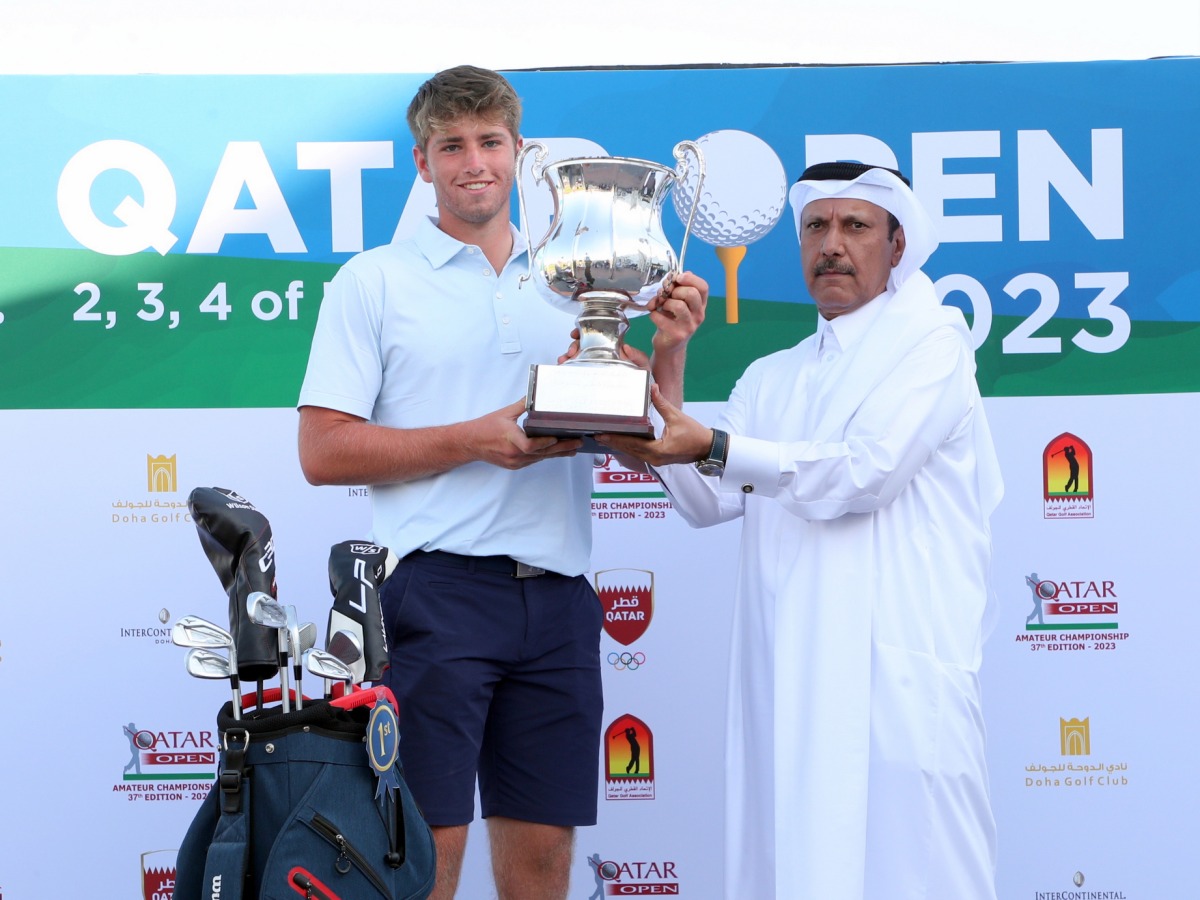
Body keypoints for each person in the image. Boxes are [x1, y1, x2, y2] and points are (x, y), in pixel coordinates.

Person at [294, 65, 705, 900]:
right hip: (435, 594)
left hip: (558, 599)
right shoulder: (373, 281)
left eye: (490, 141)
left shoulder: (575, 278)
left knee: (545, 862)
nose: (473, 161)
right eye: (453, 146)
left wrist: (667, 351)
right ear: (423, 162)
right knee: (427, 856)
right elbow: (322, 451)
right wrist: (473, 441)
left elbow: (653, 441)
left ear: (520, 154)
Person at [599, 162, 1004, 899]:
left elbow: (862, 474)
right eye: (817, 226)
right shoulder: (771, 376)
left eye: (856, 226)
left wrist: (710, 445)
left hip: (895, 681)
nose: (832, 245)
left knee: (916, 875)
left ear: (898, 243)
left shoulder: (935, 345)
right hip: (785, 678)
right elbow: (701, 498)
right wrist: (654, 378)